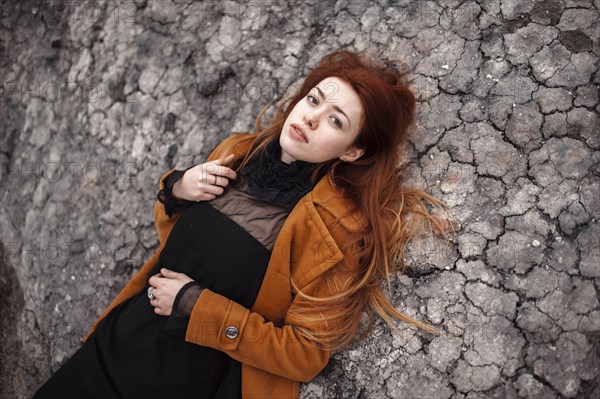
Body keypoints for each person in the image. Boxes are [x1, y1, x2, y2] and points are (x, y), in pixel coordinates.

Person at [33, 50, 452, 399]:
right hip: (111, 351)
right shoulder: (239, 151)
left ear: (354, 152)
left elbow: (305, 354)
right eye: (314, 100)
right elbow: (177, 241)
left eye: (336, 121)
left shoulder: (335, 230)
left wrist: (200, 307)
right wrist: (177, 190)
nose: (310, 118)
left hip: (188, 388)